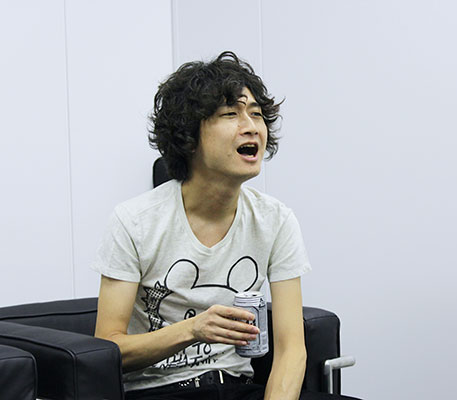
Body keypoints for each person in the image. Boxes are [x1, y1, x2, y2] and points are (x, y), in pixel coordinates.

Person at [92, 51, 359, 400]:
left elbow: (292, 350)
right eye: (231, 114)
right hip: (160, 392)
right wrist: (193, 329)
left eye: (256, 114)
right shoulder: (135, 221)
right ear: (189, 136)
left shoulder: (275, 220)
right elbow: (107, 350)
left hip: (238, 388)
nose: (251, 126)